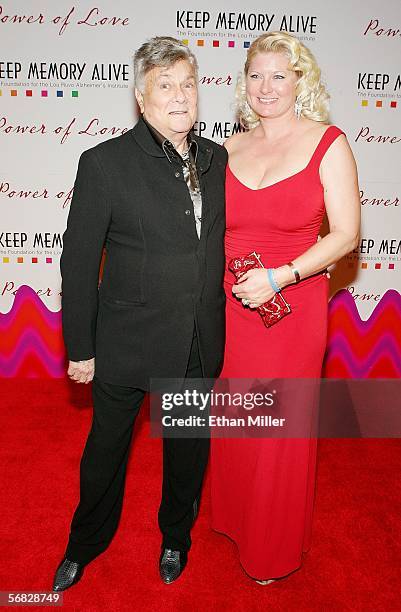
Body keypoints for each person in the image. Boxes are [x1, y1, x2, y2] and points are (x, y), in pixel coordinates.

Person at [53, 36, 227, 591]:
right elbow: (78, 264)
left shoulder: (217, 158)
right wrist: (80, 347)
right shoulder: (104, 164)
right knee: (105, 451)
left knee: (186, 454)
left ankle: (176, 537)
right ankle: (85, 543)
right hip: (125, 339)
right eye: (165, 85)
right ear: (140, 95)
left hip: (196, 338)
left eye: (188, 84)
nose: (180, 97)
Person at [210, 31, 360, 583]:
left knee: (279, 429)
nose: (266, 86)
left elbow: (345, 234)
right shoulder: (227, 149)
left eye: (279, 74)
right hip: (231, 306)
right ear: (243, 83)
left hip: (292, 305)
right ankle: (231, 517)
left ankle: (270, 549)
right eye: (256, 74)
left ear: (301, 80)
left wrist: (281, 275)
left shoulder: (329, 142)